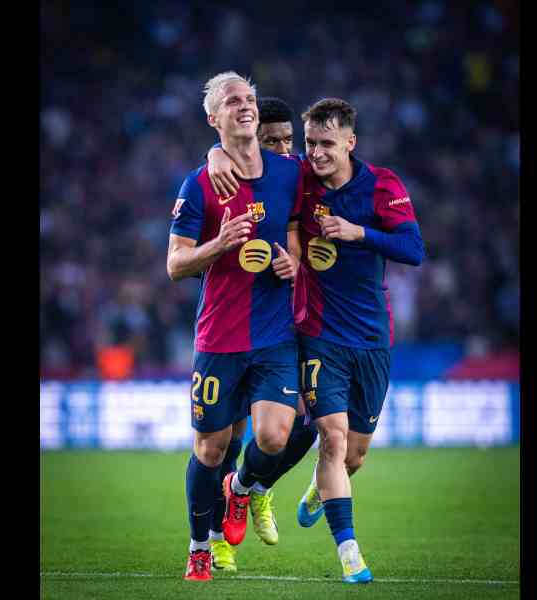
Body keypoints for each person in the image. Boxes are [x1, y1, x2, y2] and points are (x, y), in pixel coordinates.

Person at [206, 97, 424, 584]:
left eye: (327, 144)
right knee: (330, 435)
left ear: (350, 142)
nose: (316, 154)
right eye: (310, 144)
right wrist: (214, 155)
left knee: (353, 454)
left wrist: (358, 232)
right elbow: (246, 161)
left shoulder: (382, 185)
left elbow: (413, 249)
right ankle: (349, 555)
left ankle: (308, 488)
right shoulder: (298, 177)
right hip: (316, 331)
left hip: (371, 336)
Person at [167, 71, 304, 582]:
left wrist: (291, 262)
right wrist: (220, 244)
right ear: (213, 119)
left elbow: (294, 232)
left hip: (274, 334)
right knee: (210, 448)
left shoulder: (289, 173)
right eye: (232, 101)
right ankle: (199, 546)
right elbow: (176, 264)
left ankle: (240, 490)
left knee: (273, 436)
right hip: (219, 338)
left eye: (248, 98)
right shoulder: (200, 183)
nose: (244, 105)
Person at [203, 96, 319, 575]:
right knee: (225, 441)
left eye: (288, 141)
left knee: (309, 427)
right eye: (273, 142)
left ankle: (254, 487)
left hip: (310, 321)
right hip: (254, 324)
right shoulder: (235, 172)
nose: (283, 149)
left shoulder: (302, 172)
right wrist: (212, 155)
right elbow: (215, 158)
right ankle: (217, 544)